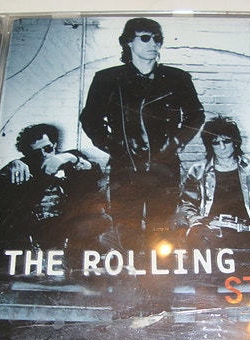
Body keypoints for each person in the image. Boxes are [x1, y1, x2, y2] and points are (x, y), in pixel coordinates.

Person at [80, 17, 205, 251]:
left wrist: (175, 143)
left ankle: (157, 273)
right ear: (128, 42)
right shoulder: (107, 79)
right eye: (145, 38)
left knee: (162, 231)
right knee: (126, 230)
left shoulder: (177, 78)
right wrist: (114, 146)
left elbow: (196, 115)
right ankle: (131, 271)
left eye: (158, 39)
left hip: (165, 167)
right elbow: (90, 119)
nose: (153, 44)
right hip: (125, 168)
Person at [0, 123, 110, 274]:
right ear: (27, 154)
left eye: (47, 148)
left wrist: (69, 158)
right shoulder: (24, 167)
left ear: (54, 145)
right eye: (36, 153)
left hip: (72, 231)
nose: (44, 155)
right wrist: (10, 167)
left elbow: (95, 173)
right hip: (36, 236)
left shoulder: (70, 159)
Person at [178, 116, 250, 249]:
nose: (222, 147)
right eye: (216, 143)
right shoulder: (198, 170)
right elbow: (186, 204)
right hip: (212, 233)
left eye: (226, 141)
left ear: (235, 141)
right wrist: (196, 222)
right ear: (210, 145)